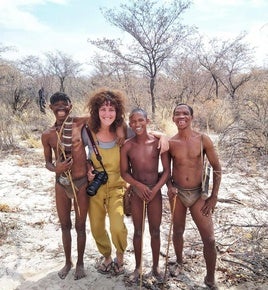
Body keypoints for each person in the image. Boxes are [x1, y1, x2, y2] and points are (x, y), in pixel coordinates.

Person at [167, 103, 221, 289]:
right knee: (178, 231)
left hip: (199, 194)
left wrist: (214, 196)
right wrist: (169, 186)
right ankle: (180, 261)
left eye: (185, 113)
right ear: (172, 118)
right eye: (177, 114)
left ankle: (210, 277)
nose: (181, 116)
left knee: (210, 239)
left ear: (192, 117)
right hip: (178, 194)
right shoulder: (171, 143)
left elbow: (217, 169)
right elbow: (166, 172)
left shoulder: (203, 139)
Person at [41, 92, 90, 280]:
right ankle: (68, 262)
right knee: (64, 225)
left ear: (70, 106)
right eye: (56, 105)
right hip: (61, 184)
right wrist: (56, 168)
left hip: (80, 183)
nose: (61, 108)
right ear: (51, 108)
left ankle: (80, 264)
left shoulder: (78, 123)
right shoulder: (47, 135)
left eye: (64, 104)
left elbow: (103, 116)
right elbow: (47, 162)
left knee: (80, 225)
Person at [120, 108, 170, 282]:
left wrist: (155, 189)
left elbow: (166, 171)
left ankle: (156, 266)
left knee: (155, 231)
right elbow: (124, 172)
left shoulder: (157, 142)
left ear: (147, 121)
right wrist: (138, 185)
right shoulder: (127, 145)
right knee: (138, 231)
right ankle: (138, 267)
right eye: (133, 121)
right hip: (136, 192)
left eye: (140, 120)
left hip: (154, 192)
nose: (137, 124)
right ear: (129, 123)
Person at [85, 88, 128, 276]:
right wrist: (87, 167)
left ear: (117, 112)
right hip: (96, 187)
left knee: (117, 225)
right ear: (96, 111)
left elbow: (147, 134)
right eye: (103, 109)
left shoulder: (124, 130)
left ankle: (120, 256)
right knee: (96, 225)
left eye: (112, 109)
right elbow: (79, 154)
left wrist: (165, 137)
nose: (107, 114)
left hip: (118, 186)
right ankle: (107, 257)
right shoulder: (87, 131)